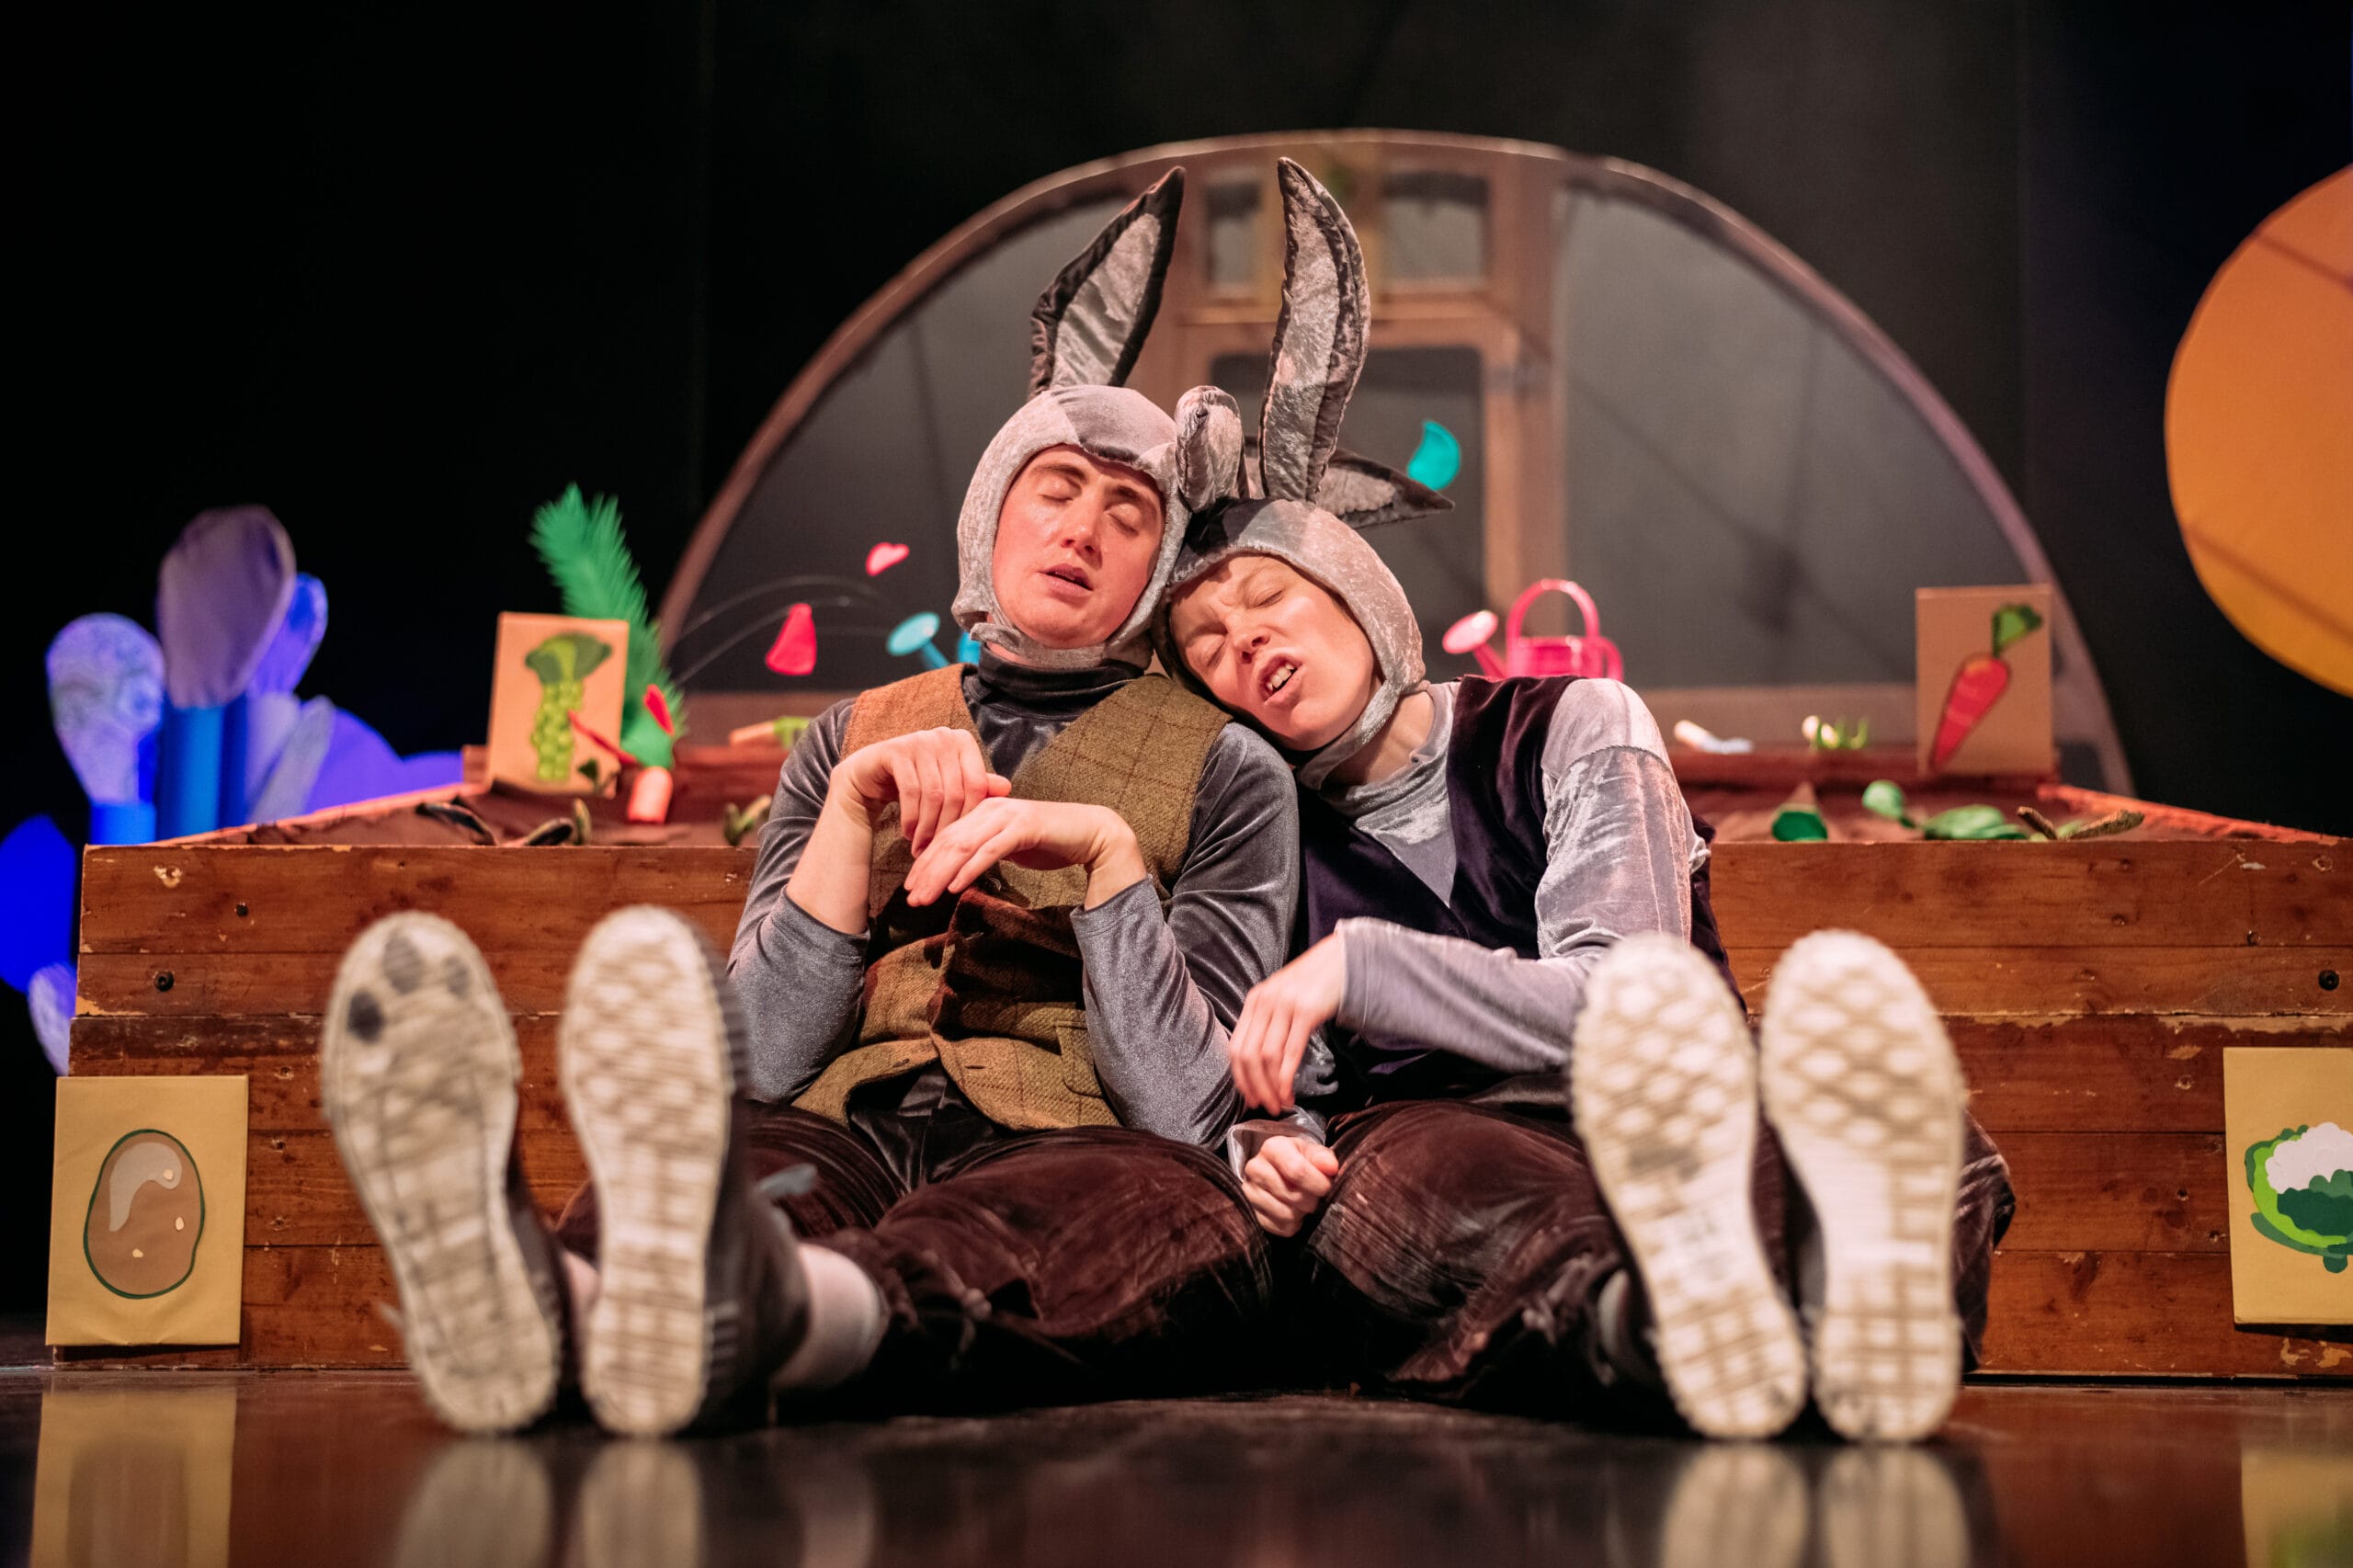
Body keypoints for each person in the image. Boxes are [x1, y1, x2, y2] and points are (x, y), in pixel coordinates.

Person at [320, 170, 1303, 1436]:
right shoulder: (854, 733)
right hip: (846, 1110)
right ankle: (543, 1293)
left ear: (1157, 569)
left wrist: (1111, 861)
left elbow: (1189, 1105)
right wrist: (847, 823)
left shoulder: (1232, 767)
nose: (1084, 529)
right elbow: (768, 1060)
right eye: (1054, 488)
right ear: (989, 517)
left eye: (1131, 514)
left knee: (1163, 1215)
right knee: (729, 1170)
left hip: (1074, 1140)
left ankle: (776, 1312)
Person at [1155, 160, 2015, 1441]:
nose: (1248, 647)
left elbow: (1624, 1001)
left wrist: (1360, 964)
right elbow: (1296, 1091)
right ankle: (1687, 1324)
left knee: (1863, 1140)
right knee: (1443, 1185)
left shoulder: (1572, 723)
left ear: (1358, 592)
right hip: (1446, 1136)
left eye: (1267, 599)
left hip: (1678, 1099)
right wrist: (1267, 1146)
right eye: (1209, 646)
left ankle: (1835, 1306)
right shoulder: (1259, 828)